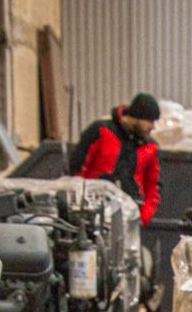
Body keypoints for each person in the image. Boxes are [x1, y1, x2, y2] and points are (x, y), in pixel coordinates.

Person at [69, 92, 162, 225]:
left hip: (130, 217)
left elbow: (153, 187)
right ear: (136, 117)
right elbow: (77, 169)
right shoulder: (101, 131)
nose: (153, 126)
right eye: (149, 121)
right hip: (94, 213)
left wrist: (143, 217)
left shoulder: (151, 147)